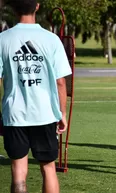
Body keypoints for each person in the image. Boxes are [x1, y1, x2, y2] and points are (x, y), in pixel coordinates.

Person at [0, 0, 72, 192]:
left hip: (14, 114)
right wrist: (62, 113)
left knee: (18, 170)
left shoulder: (3, 39)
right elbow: (61, 82)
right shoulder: (51, 39)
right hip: (45, 113)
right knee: (48, 168)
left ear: (13, 9)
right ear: (37, 6)